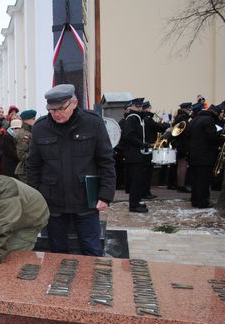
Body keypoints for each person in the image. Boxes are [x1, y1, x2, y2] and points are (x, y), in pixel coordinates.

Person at [26, 84, 115, 256]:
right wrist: (35, 197)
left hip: (85, 200)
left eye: (61, 108)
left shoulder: (93, 122)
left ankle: (91, 283)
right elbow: (33, 166)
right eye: (52, 110)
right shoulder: (40, 128)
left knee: (92, 251)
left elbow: (106, 161)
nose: (56, 114)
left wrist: (105, 194)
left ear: (74, 103)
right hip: (53, 202)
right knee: (57, 253)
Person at [187, 104, 224, 208]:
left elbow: (188, 135)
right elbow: (212, 137)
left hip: (193, 155)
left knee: (195, 180)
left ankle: (194, 200)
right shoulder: (209, 120)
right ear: (216, 113)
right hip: (205, 156)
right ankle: (203, 202)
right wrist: (221, 138)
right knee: (203, 180)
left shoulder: (195, 119)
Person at [120, 97, 151, 213]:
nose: (140, 108)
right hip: (133, 155)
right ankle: (133, 205)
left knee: (138, 181)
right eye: (137, 106)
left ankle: (137, 202)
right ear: (132, 107)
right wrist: (142, 144)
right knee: (135, 181)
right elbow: (128, 135)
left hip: (137, 154)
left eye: (141, 106)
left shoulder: (137, 117)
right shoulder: (132, 118)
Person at [142, 100, 169, 197]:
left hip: (147, 146)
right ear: (147, 108)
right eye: (150, 108)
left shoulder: (144, 118)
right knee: (147, 172)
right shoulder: (148, 119)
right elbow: (158, 127)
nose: (151, 110)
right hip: (149, 146)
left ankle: (146, 191)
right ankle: (145, 192)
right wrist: (166, 123)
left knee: (146, 171)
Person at [169, 102, 193, 192]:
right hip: (183, 143)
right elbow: (184, 131)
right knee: (183, 165)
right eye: (188, 109)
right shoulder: (183, 117)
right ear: (185, 109)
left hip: (179, 143)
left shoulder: (178, 117)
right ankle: (181, 186)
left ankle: (180, 185)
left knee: (180, 165)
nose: (189, 111)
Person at [13, 110, 36, 183]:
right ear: (27, 120)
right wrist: (34, 159)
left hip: (29, 168)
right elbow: (21, 155)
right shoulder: (23, 135)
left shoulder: (29, 131)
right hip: (24, 170)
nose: (35, 121)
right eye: (33, 119)